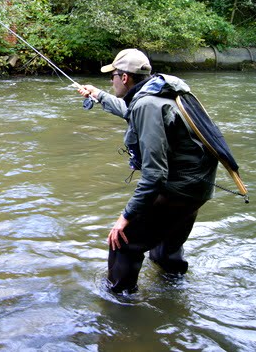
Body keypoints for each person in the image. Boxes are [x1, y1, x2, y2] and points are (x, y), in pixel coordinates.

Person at [77, 49, 218, 293]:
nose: (110, 82)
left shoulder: (147, 105)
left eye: (112, 77)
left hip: (180, 189)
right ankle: (173, 295)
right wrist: (98, 95)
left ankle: (120, 307)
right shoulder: (160, 92)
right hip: (199, 186)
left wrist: (125, 218)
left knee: (123, 242)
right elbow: (129, 111)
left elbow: (154, 176)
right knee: (164, 248)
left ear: (123, 78)